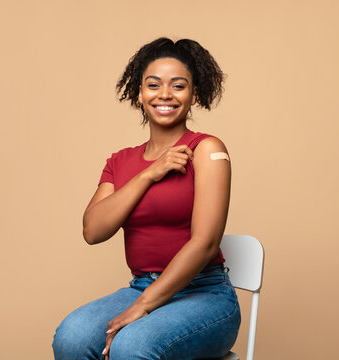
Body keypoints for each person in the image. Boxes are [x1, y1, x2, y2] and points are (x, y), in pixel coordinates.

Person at [52, 37, 240, 360]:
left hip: (205, 294)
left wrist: (142, 307)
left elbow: (206, 244)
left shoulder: (207, 150)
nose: (165, 94)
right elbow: (93, 230)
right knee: (70, 339)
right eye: (153, 85)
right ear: (139, 94)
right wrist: (150, 173)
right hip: (140, 285)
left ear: (194, 95)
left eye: (178, 86)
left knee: (133, 346)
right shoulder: (121, 162)